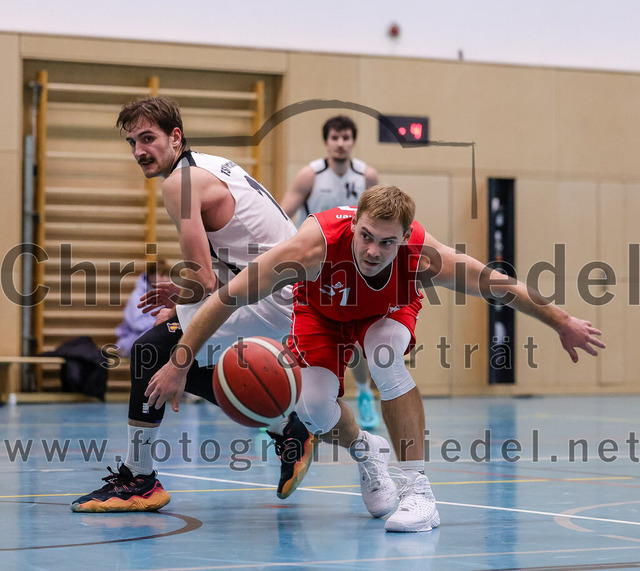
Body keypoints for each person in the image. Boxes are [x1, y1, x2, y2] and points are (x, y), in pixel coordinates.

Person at [145, 184, 605, 533]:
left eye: (387, 242)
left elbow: (499, 285)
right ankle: (367, 452)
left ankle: (418, 491)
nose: (372, 250)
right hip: (320, 313)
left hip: (386, 312)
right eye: (365, 236)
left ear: (404, 239)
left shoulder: (424, 256)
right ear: (354, 226)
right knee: (314, 409)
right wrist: (180, 362)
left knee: (384, 358)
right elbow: (226, 297)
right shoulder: (311, 248)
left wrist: (562, 321)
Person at [70, 96, 315, 513]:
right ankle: (287, 428)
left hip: (275, 300)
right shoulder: (207, 166)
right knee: (175, 354)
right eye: (132, 142)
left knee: (152, 352)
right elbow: (228, 260)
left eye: (148, 138)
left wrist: (186, 300)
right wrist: (181, 303)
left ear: (175, 136)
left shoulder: (179, 184)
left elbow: (204, 281)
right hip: (284, 293)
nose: (139, 151)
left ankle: (139, 480)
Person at [280, 115, 381, 430]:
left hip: (354, 269)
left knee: (355, 340)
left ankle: (364, 393)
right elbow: (283, 216)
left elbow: (381, 220)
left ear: (353, 141)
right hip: (314, 267)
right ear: (326, 141)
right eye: (335, 137)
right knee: (293, 335)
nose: (340, 143)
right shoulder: (310, 175)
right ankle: (279, 407)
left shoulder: (367, 176)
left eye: (346, 137)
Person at [114, 258, 170, 358]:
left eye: (168, 275)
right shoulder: (137, 296)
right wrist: (160, 323)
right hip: (133, 339)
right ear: (150, 276)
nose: (166, 279)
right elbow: (138, 325)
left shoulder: (168, 295)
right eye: (162, 275)